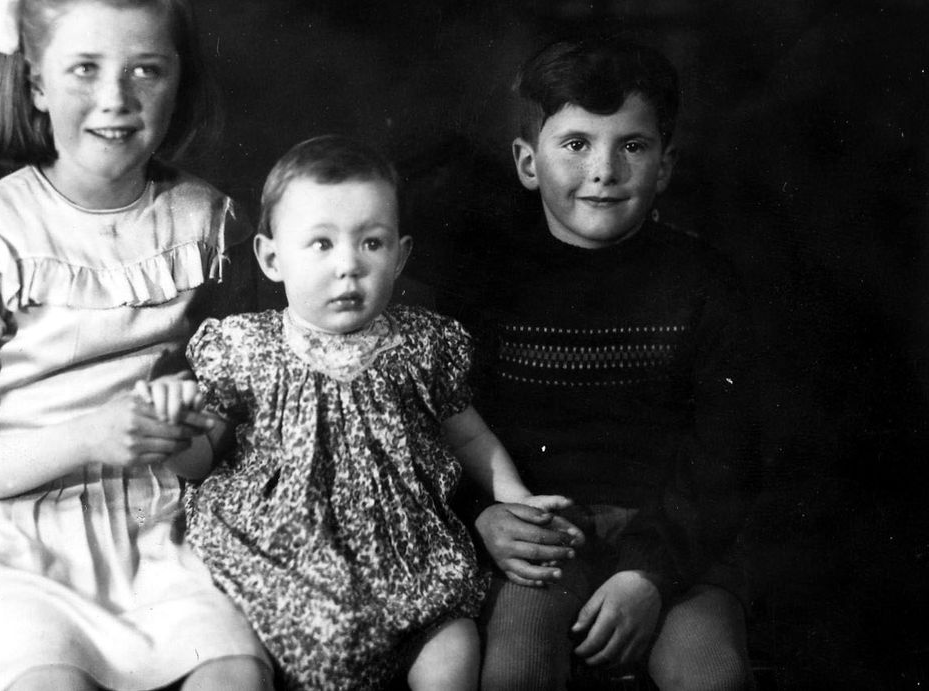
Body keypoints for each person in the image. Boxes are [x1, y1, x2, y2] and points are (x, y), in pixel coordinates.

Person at [0, 0, 272, 691]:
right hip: (18, 536)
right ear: (35, 83)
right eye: (84, 69)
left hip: (162, 525)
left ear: (178, 82)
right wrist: (89, 436)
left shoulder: (206, 221)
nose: (116, 98)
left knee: (235, 675)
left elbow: (230, 414)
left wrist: (189, 429)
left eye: (146, 69)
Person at [175, 135, 577, 691]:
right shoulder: (245, 348)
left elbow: (469, 437)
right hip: (283, 552)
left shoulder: (422, 344)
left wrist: (513, 495)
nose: (349, 266)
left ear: (401, 256)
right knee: (247, 654)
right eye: (321, 243)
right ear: (271, 258)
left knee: (453, 652)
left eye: (371, 243)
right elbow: (200, 459)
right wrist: (177, 436)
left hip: (408, 550)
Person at [444, 37, 758, 690]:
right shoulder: (488, 284)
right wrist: (483, 514)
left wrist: (648, 575)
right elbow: (450, 427)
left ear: (665, 165)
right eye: (576, 144)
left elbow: (725, 453)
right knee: (513, 674)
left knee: (711, 677)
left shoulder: (705, 283)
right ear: (528, 162)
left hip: (676, 543)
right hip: (543, 542)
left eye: (632, 146)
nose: (604, 170)